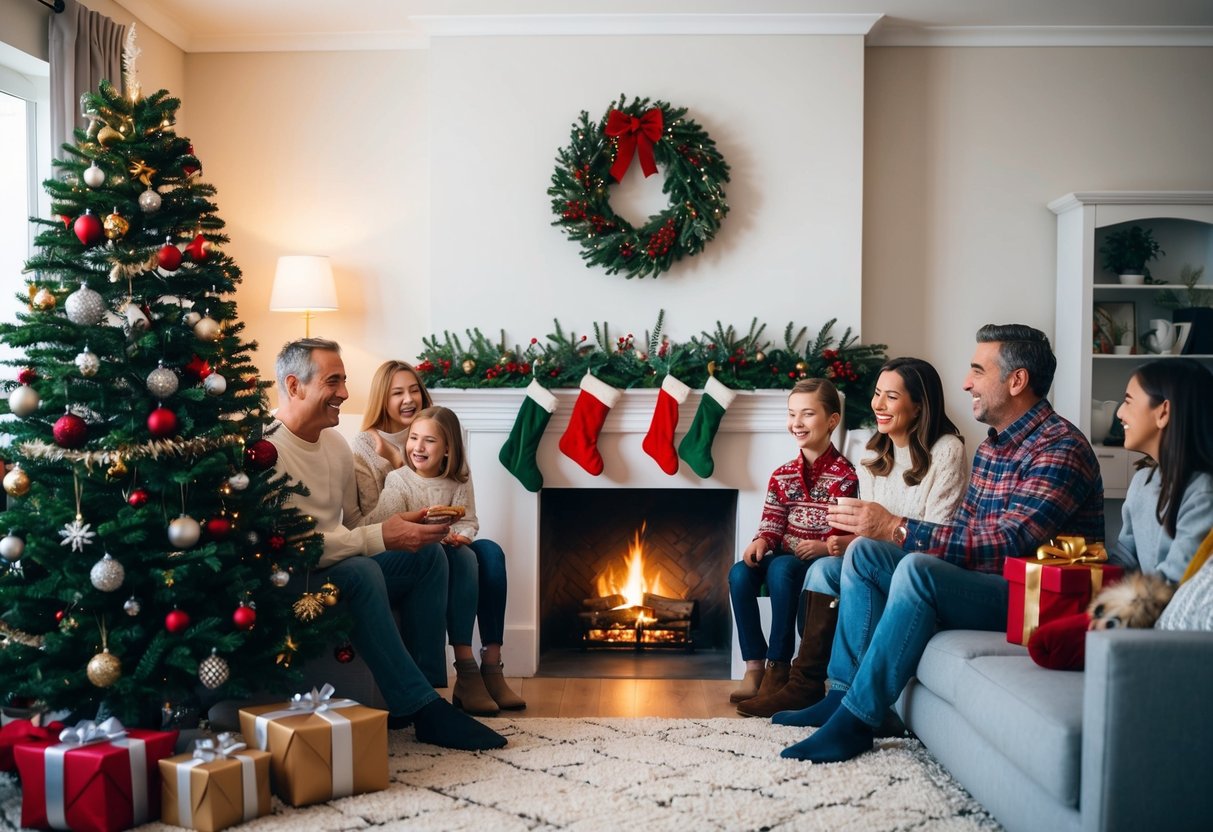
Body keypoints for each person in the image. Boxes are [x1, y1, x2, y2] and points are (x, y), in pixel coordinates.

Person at [776, 323, 1104, 763]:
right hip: (987, 583)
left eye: (977, 370)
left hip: (1032, 597)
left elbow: (1013, 540)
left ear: (1017, 380)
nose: (966, 382)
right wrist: (880, 533)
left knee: (915, 567)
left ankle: (857, 721)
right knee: (864, 552)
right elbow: (967, 531)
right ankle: (839, 695)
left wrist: (898, 527)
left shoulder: (1059, 447)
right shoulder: (993, 449)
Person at [267, 338, 505, 750]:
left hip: (335, 561)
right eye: (333, 381)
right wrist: (383, 533)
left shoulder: (335, 445)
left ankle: (428, 694)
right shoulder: (266, 450)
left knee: (429, 554)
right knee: (360, 571)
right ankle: (423, 707)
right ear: (294, 385)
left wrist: (402, 527)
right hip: (295, 575)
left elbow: (354, 524)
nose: (344, 393)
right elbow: (292, 548)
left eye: (344, 381)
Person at [736, 357, 968, 718]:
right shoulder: (874, 454)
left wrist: (878, 532)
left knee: (816, 567)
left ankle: (829, 690)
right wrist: (847, 543)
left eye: (891, 396)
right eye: (877, 394)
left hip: (920, 565)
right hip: (874, 557)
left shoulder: (947, 450)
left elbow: (938, 536)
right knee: (822, 570)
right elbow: (863, 530)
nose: (877, 405)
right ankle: (807, 683)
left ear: (919, 404)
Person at [364, 405, 526, 715]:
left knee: (490, 552)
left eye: (429, 441)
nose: (418, 447)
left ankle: (491, 666)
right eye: (413, 438)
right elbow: (382, 524)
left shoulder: (460, 479)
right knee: (464, 558)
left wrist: (462, 535)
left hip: (451, 547)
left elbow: (469, 519)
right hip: (419, 555)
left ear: (448, 448)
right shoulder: (400, 481)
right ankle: (466, 668)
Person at [728, 378, 858, 704]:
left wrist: (821, 546)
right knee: (739, 573)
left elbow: (844, 533)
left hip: (818, 563)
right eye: (791, 414)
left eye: (807, 414)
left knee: (783, 568)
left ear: (832, 420)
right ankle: (755, 666)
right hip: (783, 558)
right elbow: (772, 522)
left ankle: (780, 665)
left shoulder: (845, 476)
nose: (796, 423)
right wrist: (761, 541)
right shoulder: (782, 474)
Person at [1110, 358, 1213, 581]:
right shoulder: (1141, 481)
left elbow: (1175, 582)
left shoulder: (1203, 493)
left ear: (1163, 412)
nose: (1119, 413)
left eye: (1128, 401)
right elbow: (1124, 558)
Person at [350, 360, 432, 516]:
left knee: (485, 542)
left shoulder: (435, 433)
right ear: (382, 400)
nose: (409, 399)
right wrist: (394, 460)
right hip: (401, 535)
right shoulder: (364, 446)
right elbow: (375, 518)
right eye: (397, 393)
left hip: (443, 530)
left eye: (414, 391)